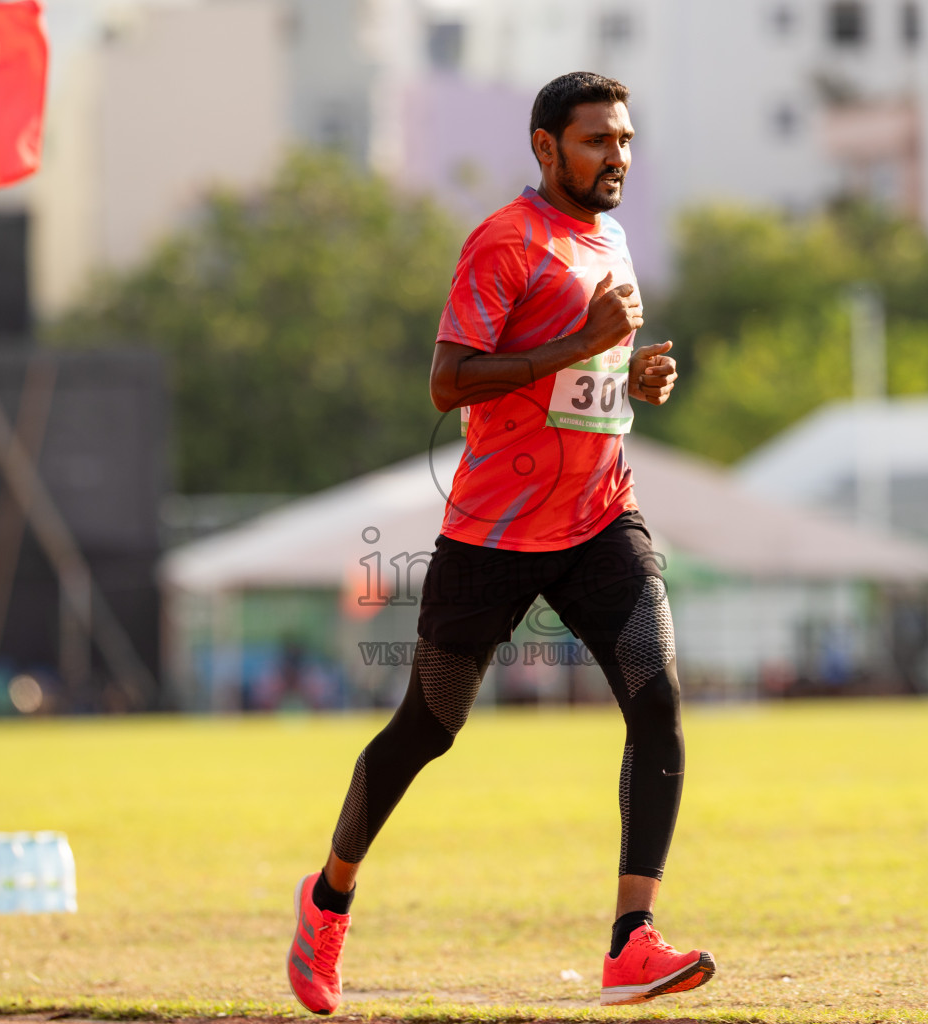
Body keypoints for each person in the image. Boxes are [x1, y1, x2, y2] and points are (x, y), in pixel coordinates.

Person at [285, 71, 713, 1014]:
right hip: (494, 534)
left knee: (658, 701)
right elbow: (448, 383)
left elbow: (593, 365)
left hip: (602, 516)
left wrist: (633, 373)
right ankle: (327, 898)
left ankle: (630, 942)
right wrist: (581, 343)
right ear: (545, 147)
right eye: (599, 140)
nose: (618, 158)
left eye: (627, 140)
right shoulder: (503, 242)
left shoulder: (613, 236)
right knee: (427, 730)